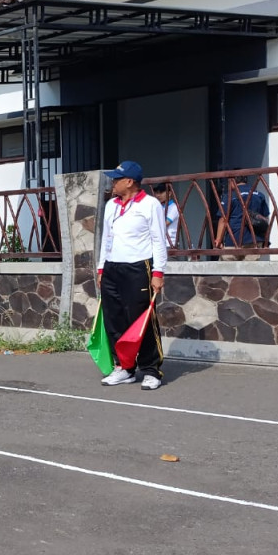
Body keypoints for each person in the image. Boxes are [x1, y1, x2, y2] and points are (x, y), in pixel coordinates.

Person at [96, 160, 168, 390]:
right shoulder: (111, 205)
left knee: (142, 320)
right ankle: (124, 368)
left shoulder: (150, 205)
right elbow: (106, 238)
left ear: (130, 182)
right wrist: (101, 268)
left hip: (139, 268)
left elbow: (159, 240)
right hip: (112, 268)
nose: (113, 183)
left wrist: (158, 272)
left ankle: (151, 370)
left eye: (116, 180)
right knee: (114, 319)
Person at [214, 179, 269, 260]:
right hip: (254, 241)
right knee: (250, 271)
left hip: (233, 240)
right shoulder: (259, 195)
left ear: (233, 181)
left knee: (228, 270)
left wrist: (218, 240)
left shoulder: (230, 196)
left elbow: (223, 219)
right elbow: (265, 220)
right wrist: (266, 241)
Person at [150, 183, 181, 249]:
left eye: (161, 192)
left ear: (169, 193)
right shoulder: (159, 206)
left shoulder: (173, 207)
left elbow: (164, 224)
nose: (158, 195)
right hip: (159, 243)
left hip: (169, 244)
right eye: (157, 193)